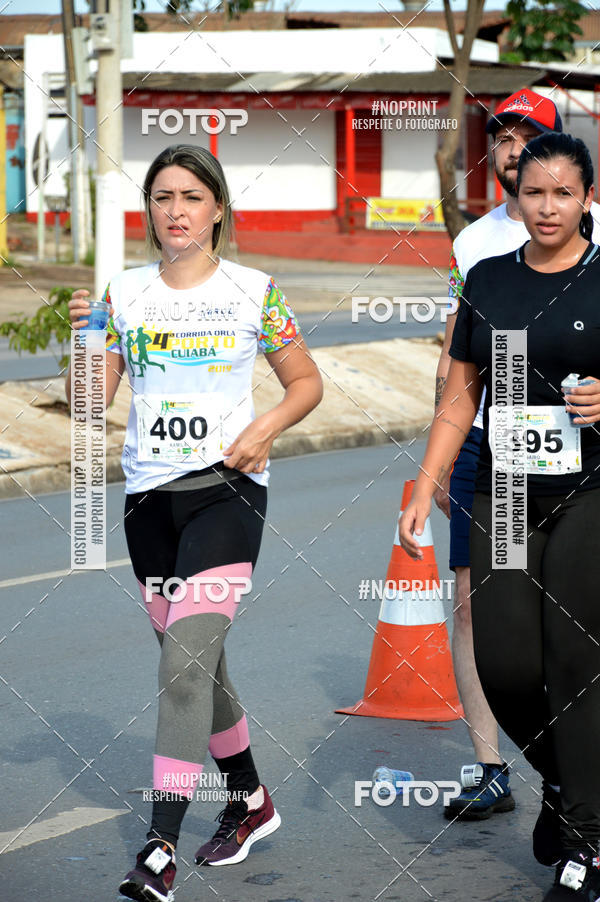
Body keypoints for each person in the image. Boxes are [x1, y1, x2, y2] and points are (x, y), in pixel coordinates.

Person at [65, 144, 323, 902]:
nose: (176, 210)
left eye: (191, 196)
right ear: (149, 209)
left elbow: (307, 382)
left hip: (226, 495)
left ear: (217, 209)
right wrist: (84, 340)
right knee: (200, 667)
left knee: (181, 668)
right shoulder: (123, 291)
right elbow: (88, 404)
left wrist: (266, 427)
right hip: (150, 503)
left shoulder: (254, 291)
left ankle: (159, 850)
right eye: (162, 197)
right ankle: (250, 800)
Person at [400, 131, 600, 900]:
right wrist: (425, 481)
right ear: (517, 195)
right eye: (534, 191)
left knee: (573, 660)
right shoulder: (488, 279)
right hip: (506, 490)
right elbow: (461, 396)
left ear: (586, 199)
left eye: (563, 193)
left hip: (589, 490)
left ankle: (586, 841)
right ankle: (567, 780)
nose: (547, 207)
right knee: (506, 664)